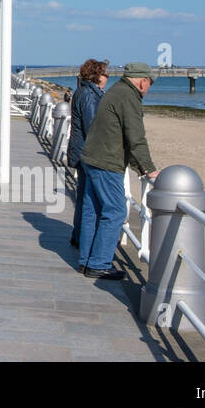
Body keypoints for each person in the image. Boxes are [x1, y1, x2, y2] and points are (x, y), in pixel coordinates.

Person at [77, 62, 160, 281]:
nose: (149, 87)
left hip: (91, 157)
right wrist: (149, 170)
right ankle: (99, 263)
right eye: (150, 83)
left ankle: (86, 261)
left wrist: (137, 165)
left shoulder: (115, 90)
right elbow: (136, 137)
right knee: (115, 211)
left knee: (92, 210)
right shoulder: (129, 97)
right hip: (106, 161)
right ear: (142, 81)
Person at [65, 59, 109, 247]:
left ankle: (79, 235)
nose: (108, 77)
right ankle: (84, 238)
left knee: (84, 195)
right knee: (89, 198)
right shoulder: (90, 95)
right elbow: (92, 126)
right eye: (106, 73)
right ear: (97, 75)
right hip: (87, 152)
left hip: (81, 150)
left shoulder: (84, 91)